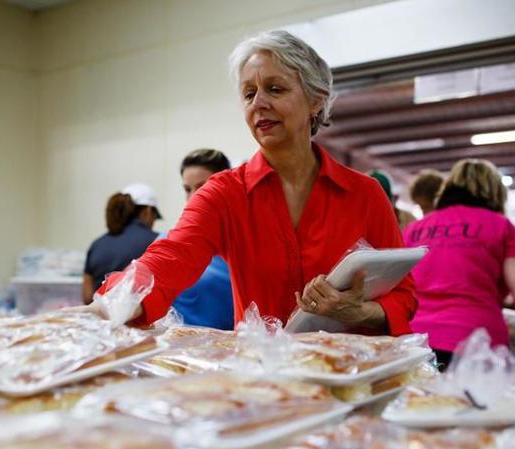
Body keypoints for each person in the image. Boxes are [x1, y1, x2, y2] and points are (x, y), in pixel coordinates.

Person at [91, 30, 416, 334]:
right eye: (249, 93)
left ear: (316, 100)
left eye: (275, 88)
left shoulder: (365, 194)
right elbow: (169, 258)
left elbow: (403, 294)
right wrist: (110, 305)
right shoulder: (224, 193)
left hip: (350, 377)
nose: (258, 103)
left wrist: (361, 312)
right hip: (264, 378)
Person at [403, 159, 515, 365]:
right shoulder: (501, 227)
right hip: (477, 347)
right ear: (496, 192)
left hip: (414, 345)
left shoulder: (414, 229)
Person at [168, 149, 234, 329]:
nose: (193, 198)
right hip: (177, 351)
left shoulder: (243, 243)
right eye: (187, 189)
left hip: (232, 350)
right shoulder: (169, 240)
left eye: (202, 187)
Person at [82, 183, 160, 304]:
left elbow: (87, 297)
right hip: (141, 321)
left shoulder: (96, 245)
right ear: (147, 211)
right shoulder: (158, 242)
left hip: (100, 320)